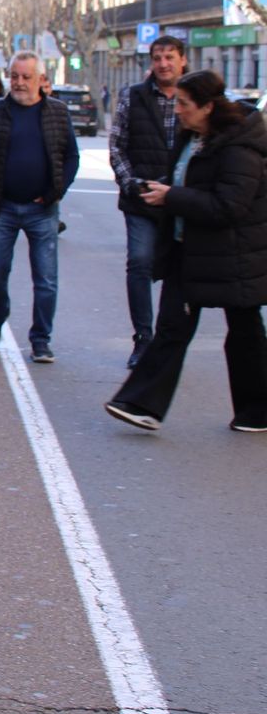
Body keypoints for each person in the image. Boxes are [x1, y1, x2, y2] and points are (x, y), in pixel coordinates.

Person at [105, 70, 267, 434]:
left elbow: (229, 205)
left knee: (245, 332)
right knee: (172, 328)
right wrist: (164, 190)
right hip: (189, 249)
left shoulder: (241, 147)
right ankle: (140, 404)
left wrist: (172, 197)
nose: (176, 110)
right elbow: (189, 183)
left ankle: (257, 411)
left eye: (184, 104)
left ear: (208, 107)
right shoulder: (193, 137)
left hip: (233, 256)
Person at [0, 52, 80, 363]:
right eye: (14, 76)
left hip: (43, 210)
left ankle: (41, 338)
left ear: (41, 79)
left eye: (26, 77)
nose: (19, 82)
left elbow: (72, 157)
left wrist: (57, 190)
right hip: (1, 206)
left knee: (46, 278)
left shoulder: (58, 112)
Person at [108, 36, 188, 368]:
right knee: (140, 262)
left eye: (170, 56)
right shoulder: (133, 96)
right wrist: (131, 183)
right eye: (157, 57)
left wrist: (183, 189)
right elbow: (116, 145)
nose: (163, 63)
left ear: (182, 60)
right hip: (141, 199)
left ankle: (170, 341)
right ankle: (143, 338)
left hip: (183, 202)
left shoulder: (194, 98)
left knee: (178, 271)